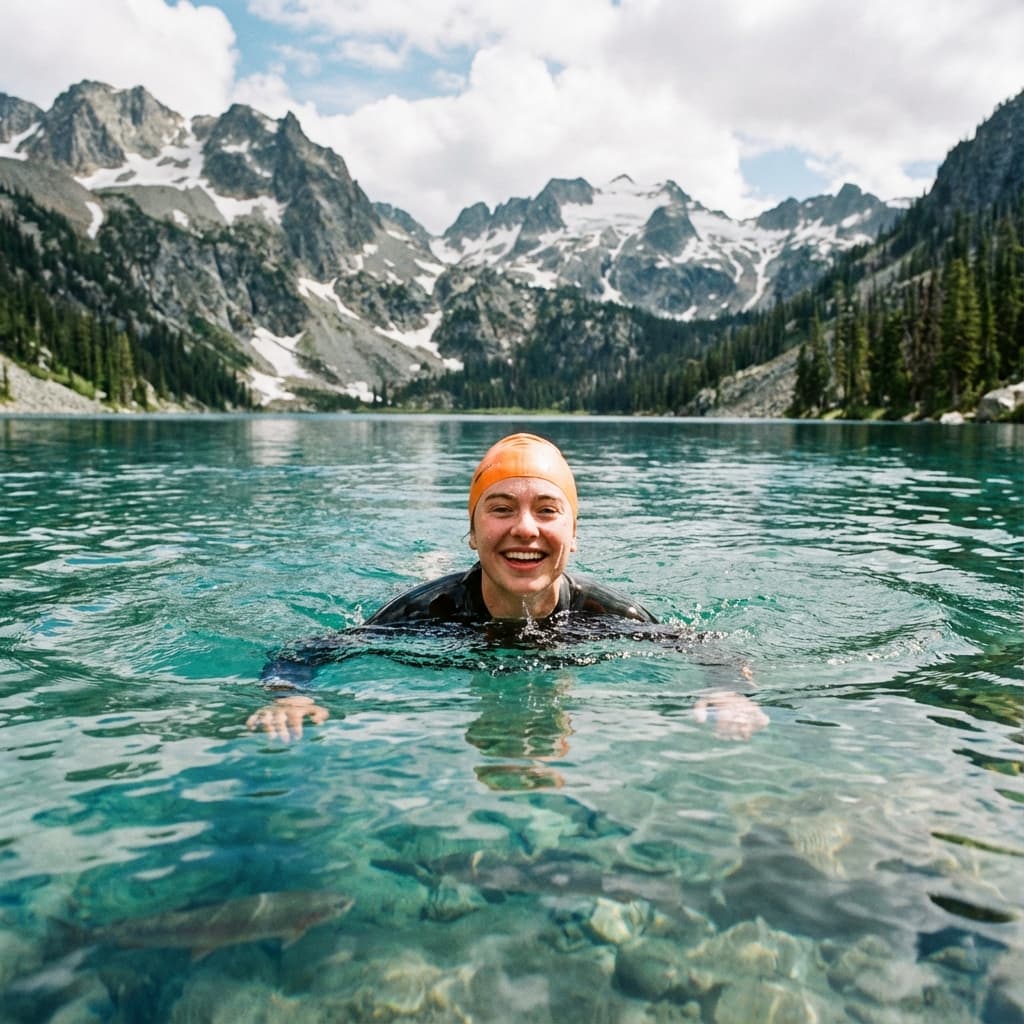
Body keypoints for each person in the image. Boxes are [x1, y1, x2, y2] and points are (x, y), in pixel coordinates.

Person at [248, 433, 767, 742]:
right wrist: (289, 694)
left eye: (547, 510)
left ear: (573, 534)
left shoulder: (610, 614)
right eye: (500, 510)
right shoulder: (423, 612)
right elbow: (309, 651)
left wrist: (729, 691)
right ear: (473, 534)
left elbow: (713, 649)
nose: (525, 528)